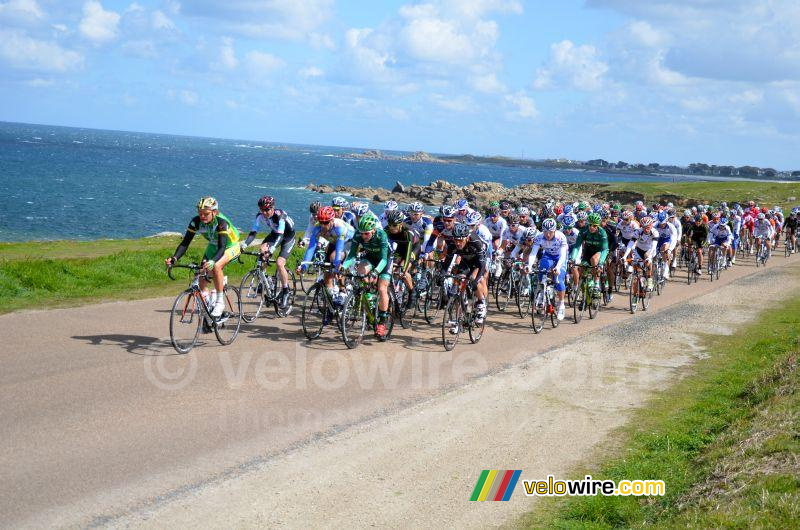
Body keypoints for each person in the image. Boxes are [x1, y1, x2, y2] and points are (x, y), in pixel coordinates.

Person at [166, 197, 241, 318]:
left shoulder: (221, 222)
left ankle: (219, 302)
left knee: (216, 266)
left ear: (214, 212)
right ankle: (209, 307)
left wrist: (212, 261)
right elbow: (185, 243)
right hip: (213, 245)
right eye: (200, 213)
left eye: (206, 214)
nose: (202, 216)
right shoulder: (196, 222)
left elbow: (222, 248)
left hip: (230, 246)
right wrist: (174, 258)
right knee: (201, 279)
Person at [342, 215, 392, 337]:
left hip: (384, 260)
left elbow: (384, 260)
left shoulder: (381, 235)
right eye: (361, 233)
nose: (363, 236)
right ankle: (368, 298)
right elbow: (352, 255)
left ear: (373, 230)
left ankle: (382, 321)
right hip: (370, 257)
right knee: (360, 272)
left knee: (382, 288)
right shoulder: (358, 235)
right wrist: (343, 267)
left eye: (367, 233)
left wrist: (376, 272)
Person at [242, 196, 296, 308]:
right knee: (262, 250)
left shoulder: (280, 215)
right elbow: (253, 232)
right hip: (275, 234)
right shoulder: (260, 216)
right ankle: (266, 280)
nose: (264, 212)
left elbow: (281, 236)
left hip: (287, 237)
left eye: (267, 210)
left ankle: (286, 291)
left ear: (273, 208)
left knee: (280, 263)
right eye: (262, 210)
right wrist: (245, 244)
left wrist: (271, 250)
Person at [446, 222, 489, 328]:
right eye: (456, 240)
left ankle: (481, 303)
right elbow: (447, 262)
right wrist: (443, 274)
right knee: (458, 280)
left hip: (479, 262)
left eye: (460, 240)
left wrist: (476, 280)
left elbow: (481, 265)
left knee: (474, 279)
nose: (458, 243)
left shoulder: (475, 242)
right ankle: (460, 314)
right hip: (466, 260)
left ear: (467, 238)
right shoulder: (453, 244)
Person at [529, 218, 569, 320]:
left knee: (558, 279)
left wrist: (558, 267)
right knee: (542, 268)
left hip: (560, 257)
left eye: (550, 232)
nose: (547, 234)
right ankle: (542, 292)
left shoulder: (561, 237)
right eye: (545, 231)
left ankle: (561, 304)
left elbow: (563, 255)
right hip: (548, 255)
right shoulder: (539, 237)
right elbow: (533, 253)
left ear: (554, 230)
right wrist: (529, 266)